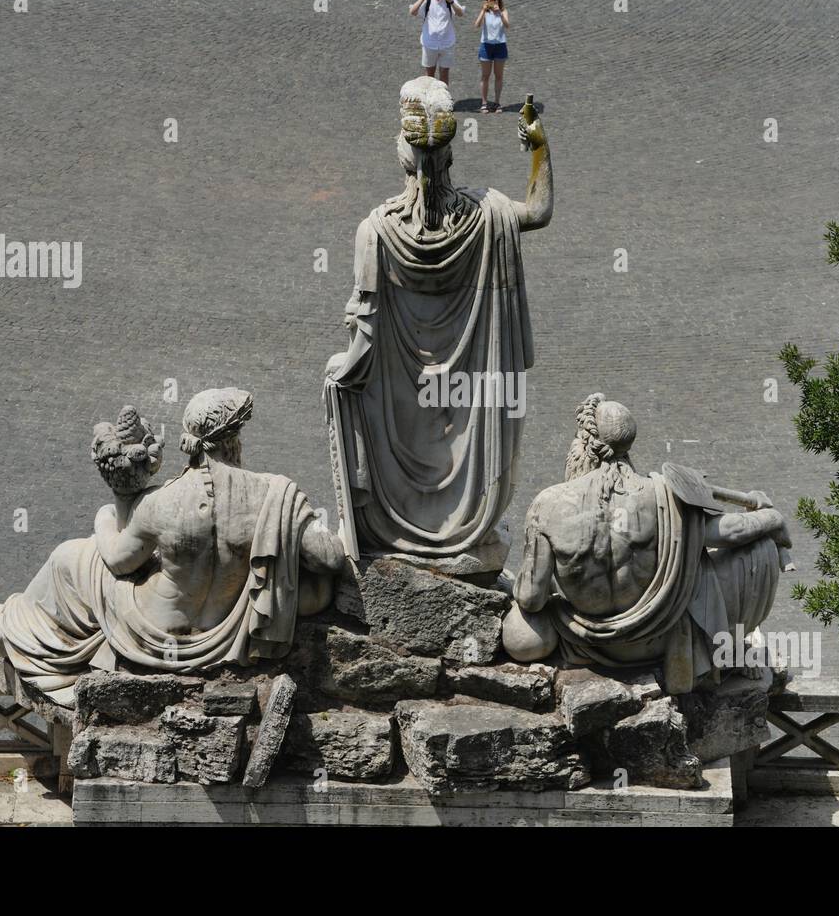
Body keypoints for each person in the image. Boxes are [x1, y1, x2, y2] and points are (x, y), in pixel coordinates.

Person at [0, 388, 345, 705]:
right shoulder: (274, 493)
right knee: (313, 589)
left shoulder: (161, 502)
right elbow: (328, 558)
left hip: (152, 631)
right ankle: (15, 629)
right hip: (233, 630)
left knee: (71, 557)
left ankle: (15, 628)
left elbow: (120, 562)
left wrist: (107, 514)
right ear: (234, 440)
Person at [324, 76, 554, 560]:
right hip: (467, 416)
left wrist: (337, 374)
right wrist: (539, 148)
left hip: (398, 430)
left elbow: (363, 342)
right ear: (450, 154)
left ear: (404, 153)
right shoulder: (487, 216)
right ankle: (461, 527)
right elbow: (537, 210)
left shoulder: (376, 232)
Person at [501, 395, 792, 693]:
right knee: (761, 549)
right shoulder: (664, 496)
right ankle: (727, 647)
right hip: (657, 643)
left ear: (584, 442)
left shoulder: (548, 504)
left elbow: (531, 599)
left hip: (585, 642)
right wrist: (772, 519)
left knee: (521, 633)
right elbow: (730, 534)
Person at [409, 0, 463, 85]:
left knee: (444, 74)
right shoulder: (427, 0)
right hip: (429, 43)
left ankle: (444, 100)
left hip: (447, 43)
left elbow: (460, 13)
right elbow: (413, 12)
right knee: (429, 75)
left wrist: (450, 1)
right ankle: (429, 100)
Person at [474, 0, 509, 113]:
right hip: (486, 46)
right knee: (485, 76)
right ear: (486, 1)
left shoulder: (503, 11)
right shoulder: (485, 12)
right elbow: (477, 25)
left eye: (495, 0)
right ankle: (484, 102)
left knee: (499, 76)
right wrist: (483, 10)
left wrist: (499, 12)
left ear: (499, 0)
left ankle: (497, 102)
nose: (493, 3)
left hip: (500, 45)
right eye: (491, 0)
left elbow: (507, 25)